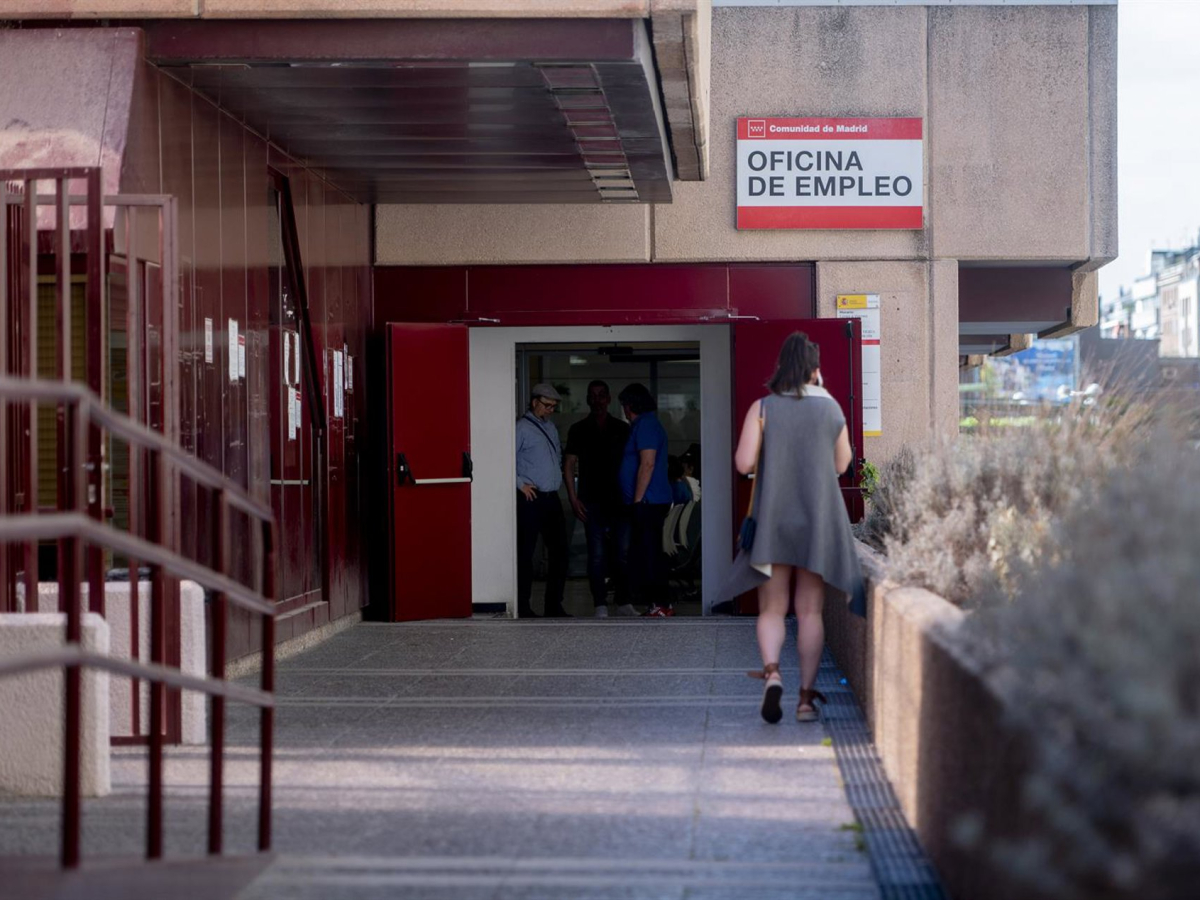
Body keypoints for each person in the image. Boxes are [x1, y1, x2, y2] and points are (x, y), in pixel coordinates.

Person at [727, 332, 865, 724]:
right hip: (816, 522)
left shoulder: (763, 407)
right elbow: (842, 465)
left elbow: (743, 463)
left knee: (772, 609)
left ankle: (772, 674)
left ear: (781, 367)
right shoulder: (830, 407)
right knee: (809, 612)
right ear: (814, 369)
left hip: (773, 520)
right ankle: (805, 700)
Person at [563, 380, 634, 618]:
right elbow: (569, 464)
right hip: (591, 500)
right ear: (587, 399)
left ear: (609, 398)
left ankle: (624, 602)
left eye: (601, 395)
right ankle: (600, 604)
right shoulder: (578, 429)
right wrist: (573, 498)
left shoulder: (622, 429)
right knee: (597, 555)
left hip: (620, 500)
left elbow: (634, 463)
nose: (597, 400)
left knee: (622, 554)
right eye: (593, 396)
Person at [616, 383, 674, 617]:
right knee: (647, 552)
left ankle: (659, 603)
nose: (624, 409)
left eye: (624, 404)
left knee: (650, 553)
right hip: (648, 501)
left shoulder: (647, 425)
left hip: (648, 502)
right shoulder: (643, 425)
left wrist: (638, 501)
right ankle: (658, 602)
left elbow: (647, 464)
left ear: (630, 405)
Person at [515, 383, 569, 619]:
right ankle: (523, 606)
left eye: (554, 407)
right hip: (531, 496)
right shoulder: (521, 428)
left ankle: (554, 605)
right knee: (525, 553)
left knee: (560, 552)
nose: (550, 410)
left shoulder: (551, 427)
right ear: (535, 402)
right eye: (547, 405)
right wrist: (520, 484)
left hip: (551, 496)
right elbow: (505, 459)